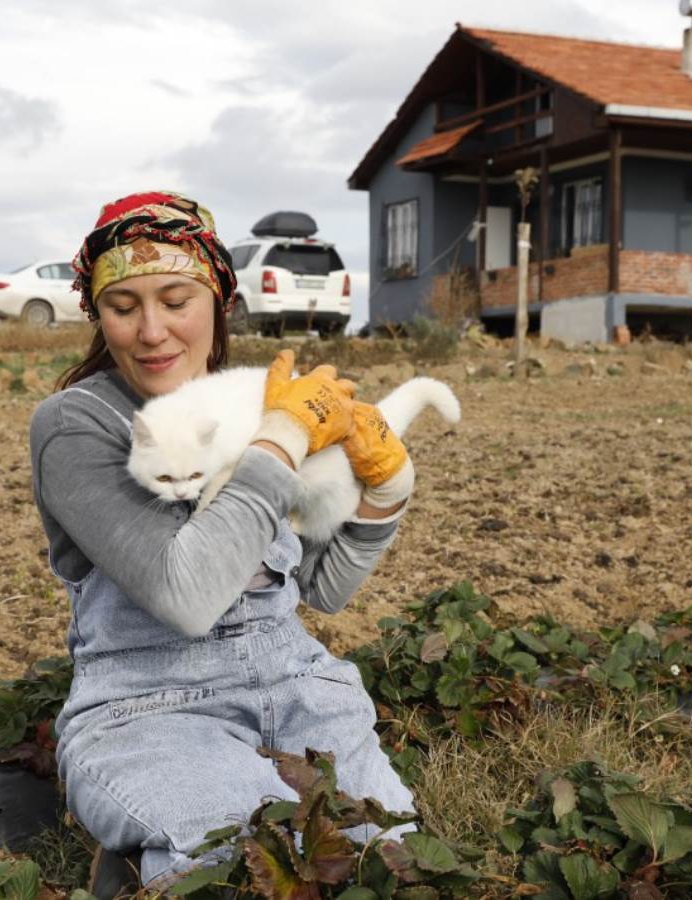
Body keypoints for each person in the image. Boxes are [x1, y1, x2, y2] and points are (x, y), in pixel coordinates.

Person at [29, 191, 417, 892]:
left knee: (386, 865)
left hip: (298, 688)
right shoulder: (77, 424)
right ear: (97, 315)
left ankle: (145, 856)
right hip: (150, 708)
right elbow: (187, 597)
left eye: (176, 299)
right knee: (241, 863)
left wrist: (384, 496)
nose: (152, 331)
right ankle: (160, 849)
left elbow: (321, 591)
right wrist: (280, 444)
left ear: (218, 299)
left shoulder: (246, 405)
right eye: (124, 307)